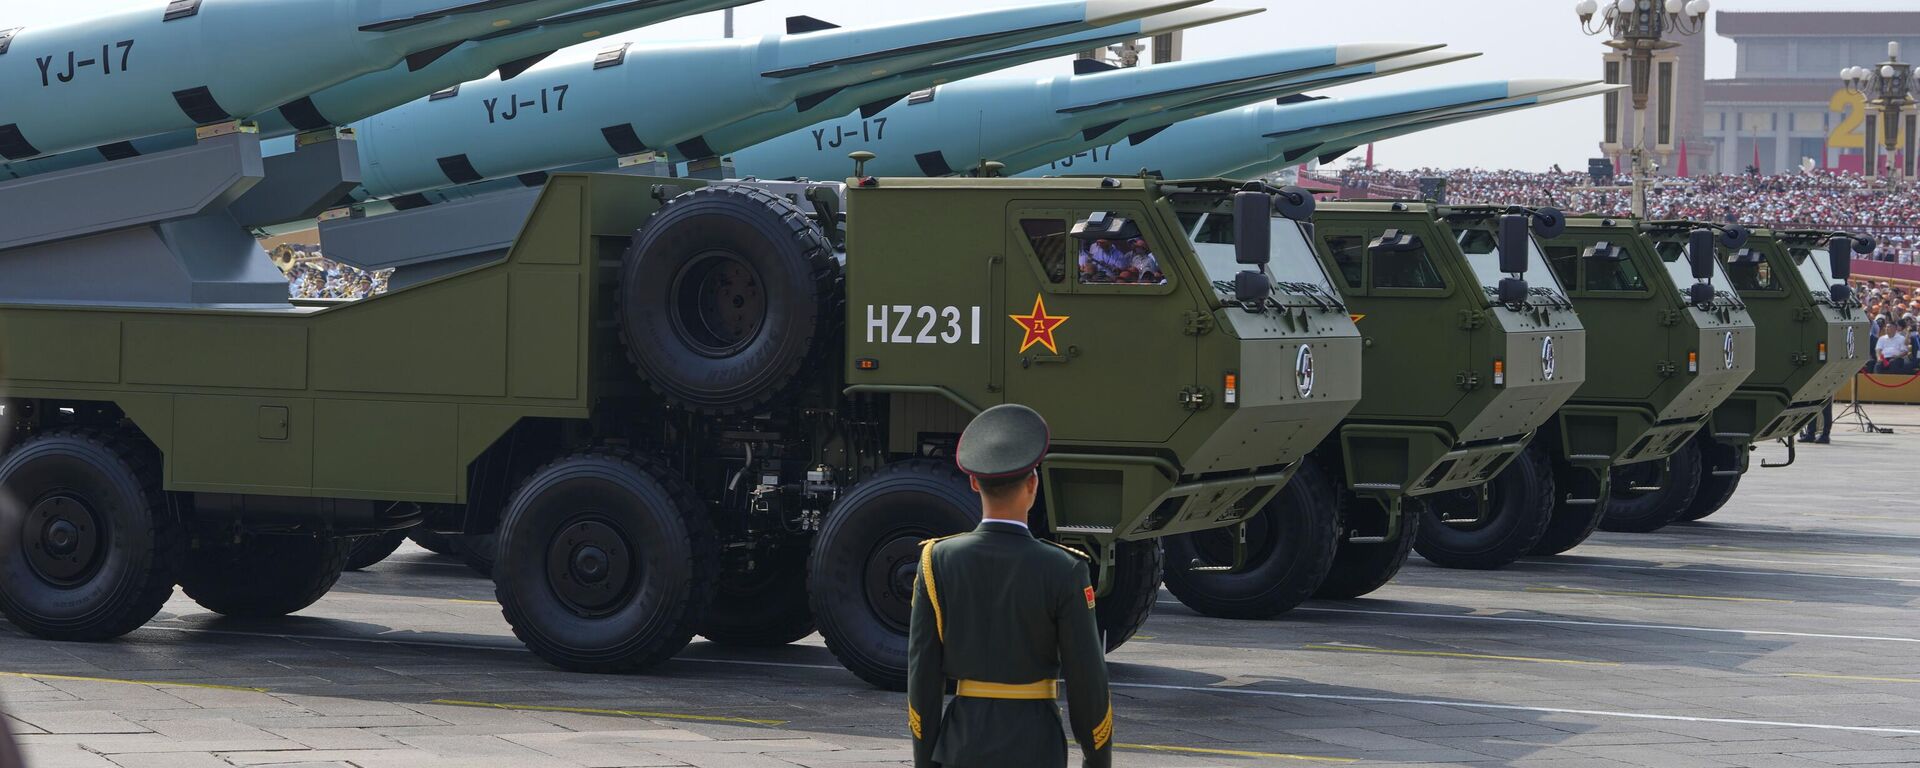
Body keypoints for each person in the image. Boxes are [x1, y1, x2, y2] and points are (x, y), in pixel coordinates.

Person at [908, 404, 1111, 768]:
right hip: (1037, 745)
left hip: (962, 744)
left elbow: (922, 677)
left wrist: (926, 759)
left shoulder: (936, 561)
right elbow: (1088, 683)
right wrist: (1097, 759)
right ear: (1033, 483)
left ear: (973, 482)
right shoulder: (1064, 568)